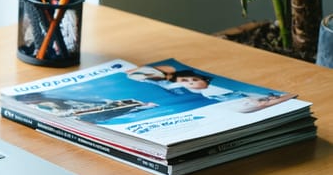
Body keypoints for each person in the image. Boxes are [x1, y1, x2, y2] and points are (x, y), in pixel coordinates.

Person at [126, 65, 295, 113]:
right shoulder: (175, 87)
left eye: (193, 79)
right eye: (186, 80)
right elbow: (135, 74)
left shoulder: (230, 93)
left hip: (237, 99)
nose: (189, 82)